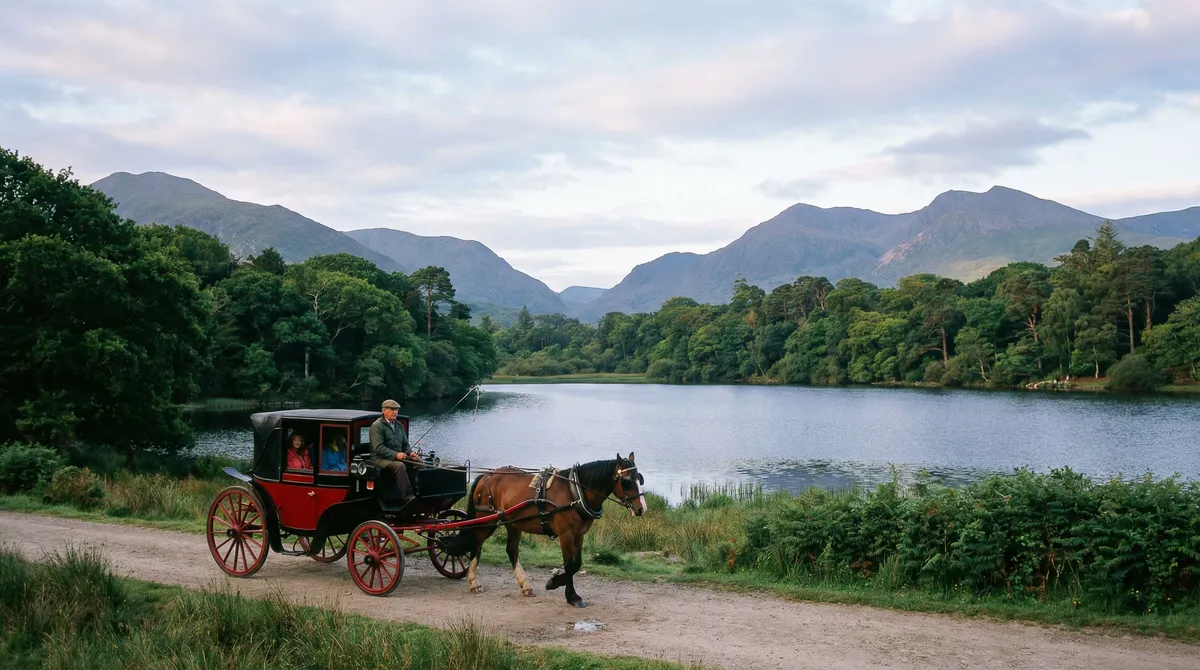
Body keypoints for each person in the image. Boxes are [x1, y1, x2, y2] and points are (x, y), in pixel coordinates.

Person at [369, 399, 417, 505]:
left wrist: (410, 453)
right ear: (384, 411)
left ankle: (421, 492)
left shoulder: (399, 425)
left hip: (396, 457)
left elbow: (405, 445)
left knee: (418, 462)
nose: (395, 412)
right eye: (392, 409)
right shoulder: (377, 426)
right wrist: (396, 455)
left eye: (396, 410)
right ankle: (408, 497)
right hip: (380, 459)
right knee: (399, 466)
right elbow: (379, 448)